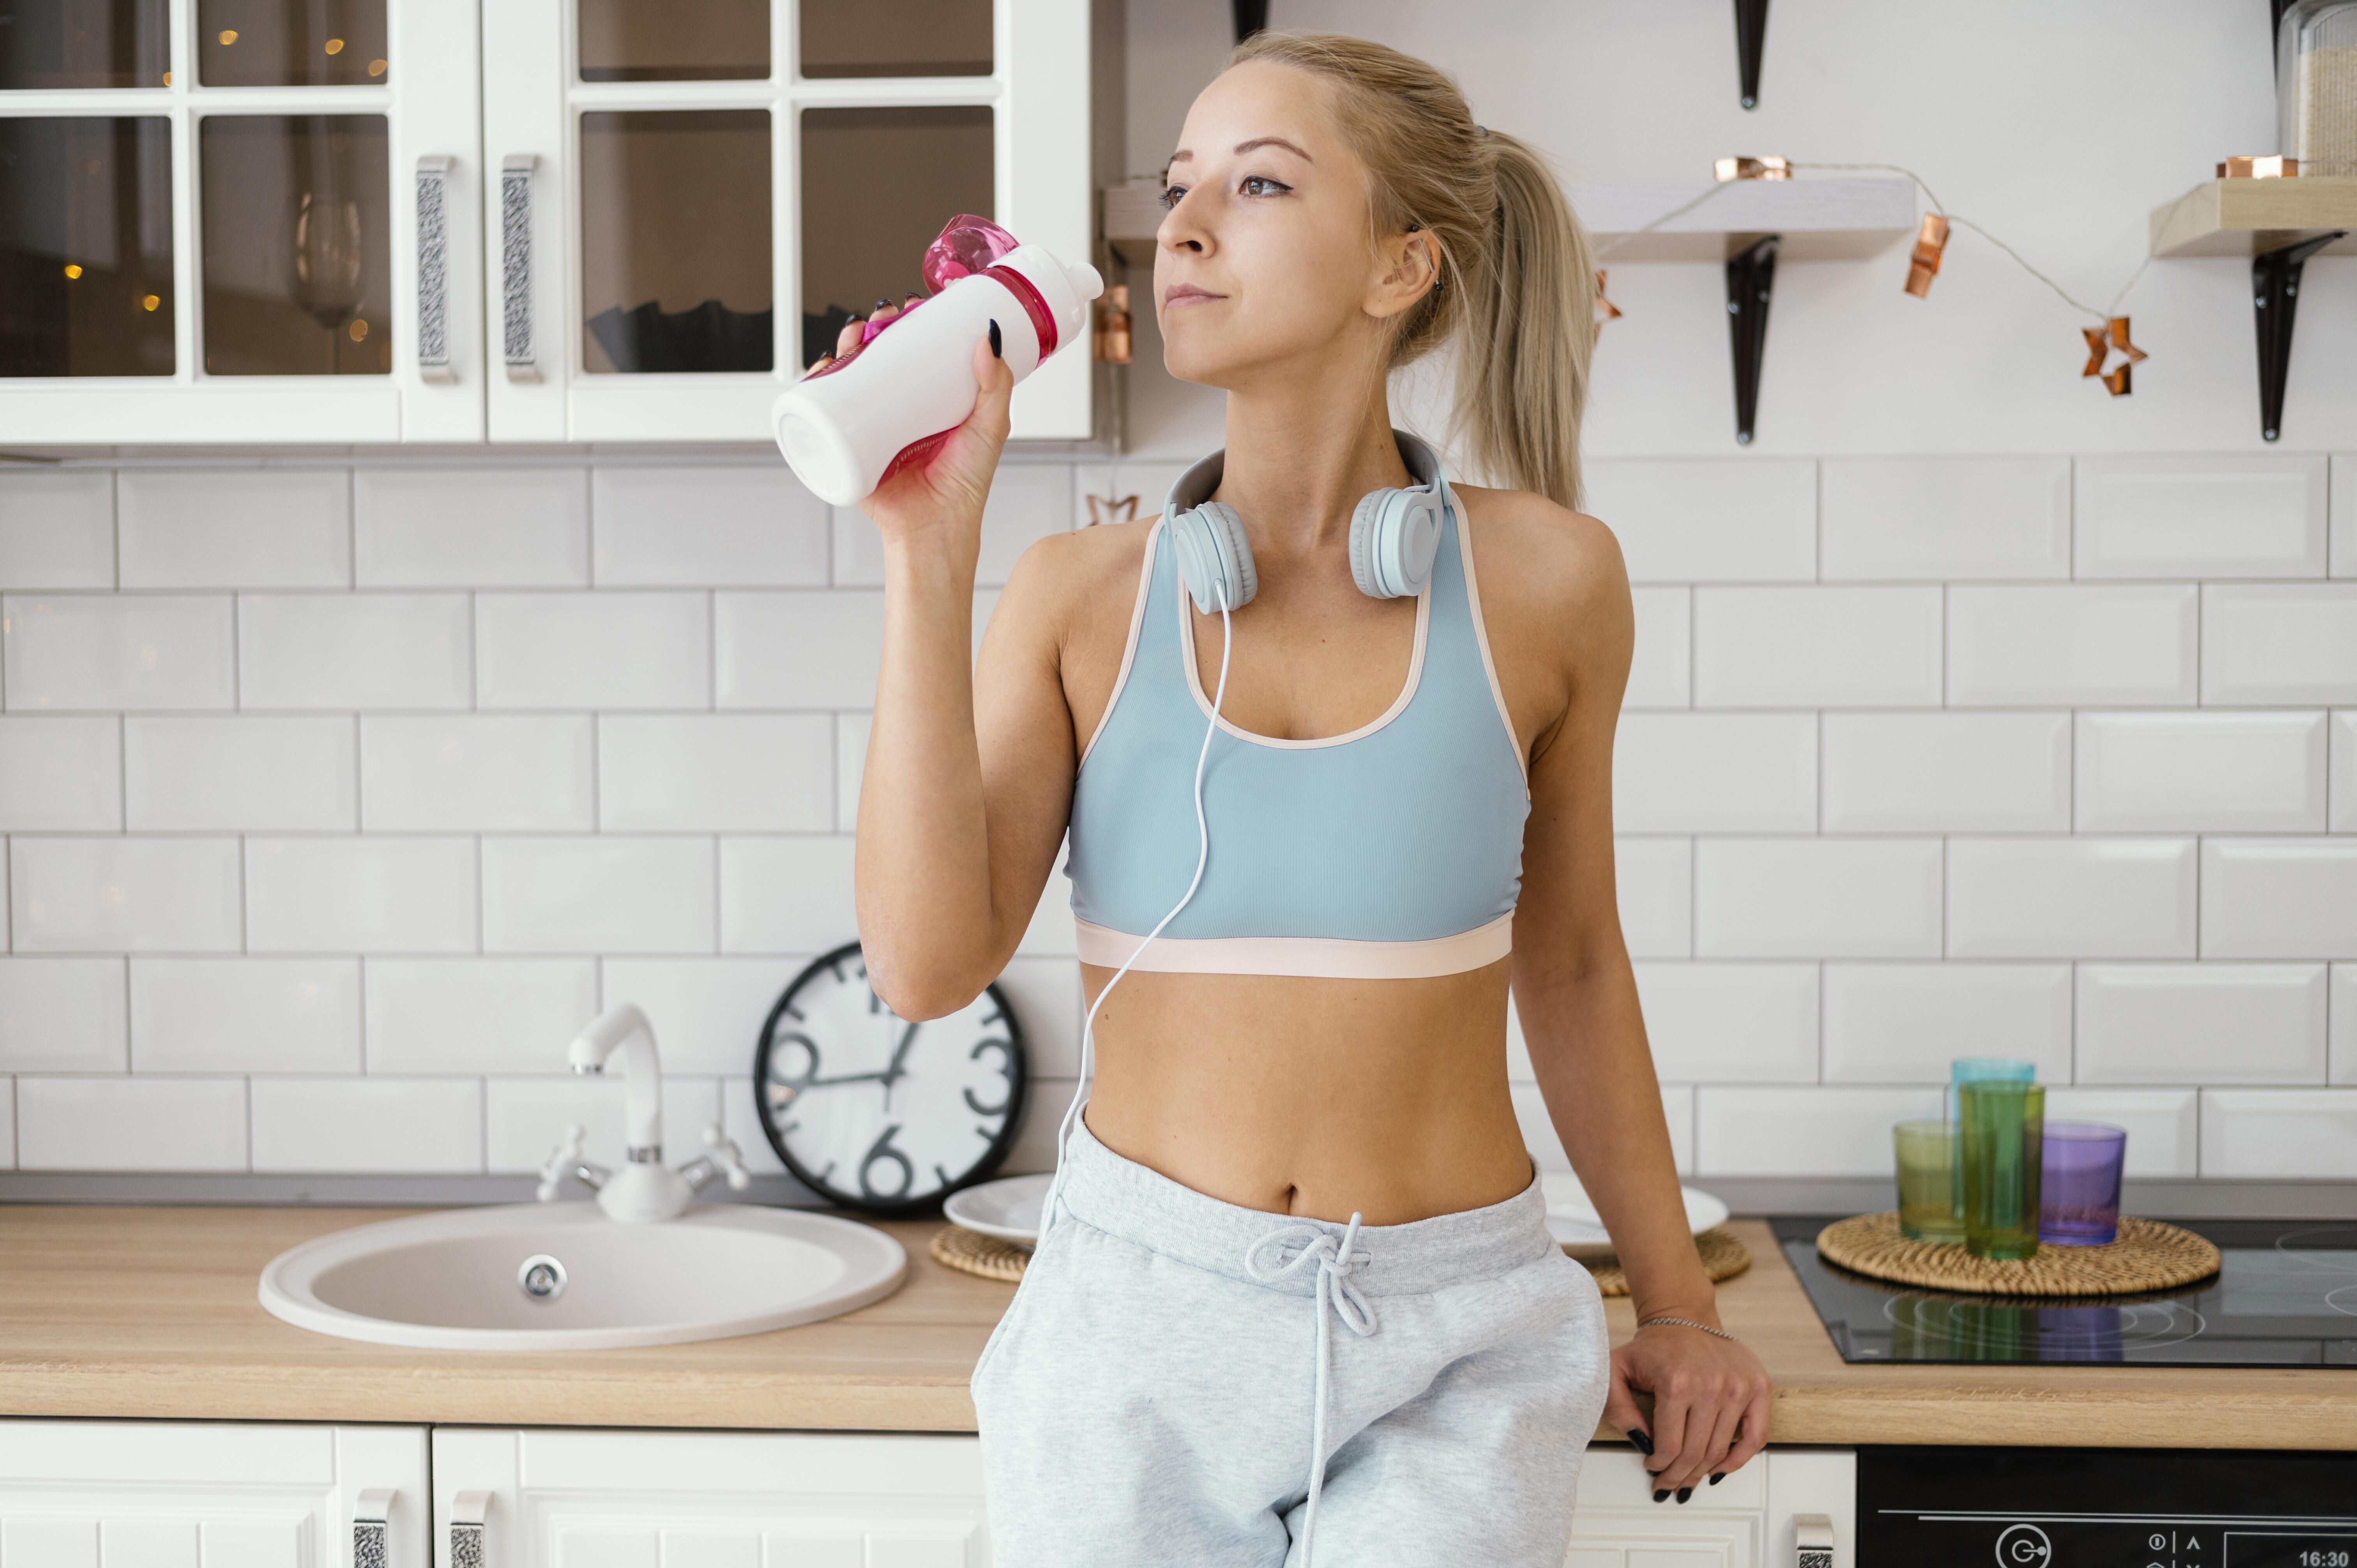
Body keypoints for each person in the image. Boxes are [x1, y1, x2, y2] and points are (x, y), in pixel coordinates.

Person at [822, 28, 1772, 1568]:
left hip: (1455, 1337)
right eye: (1180, 186)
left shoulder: (1548, 583)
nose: (1184, 226)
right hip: (1135, 1325)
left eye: (1257, 185)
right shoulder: (1078, 594)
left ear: (1404, 266)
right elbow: (925, 968)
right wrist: (926, 550)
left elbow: (1576, 960)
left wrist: (1678, 1304)